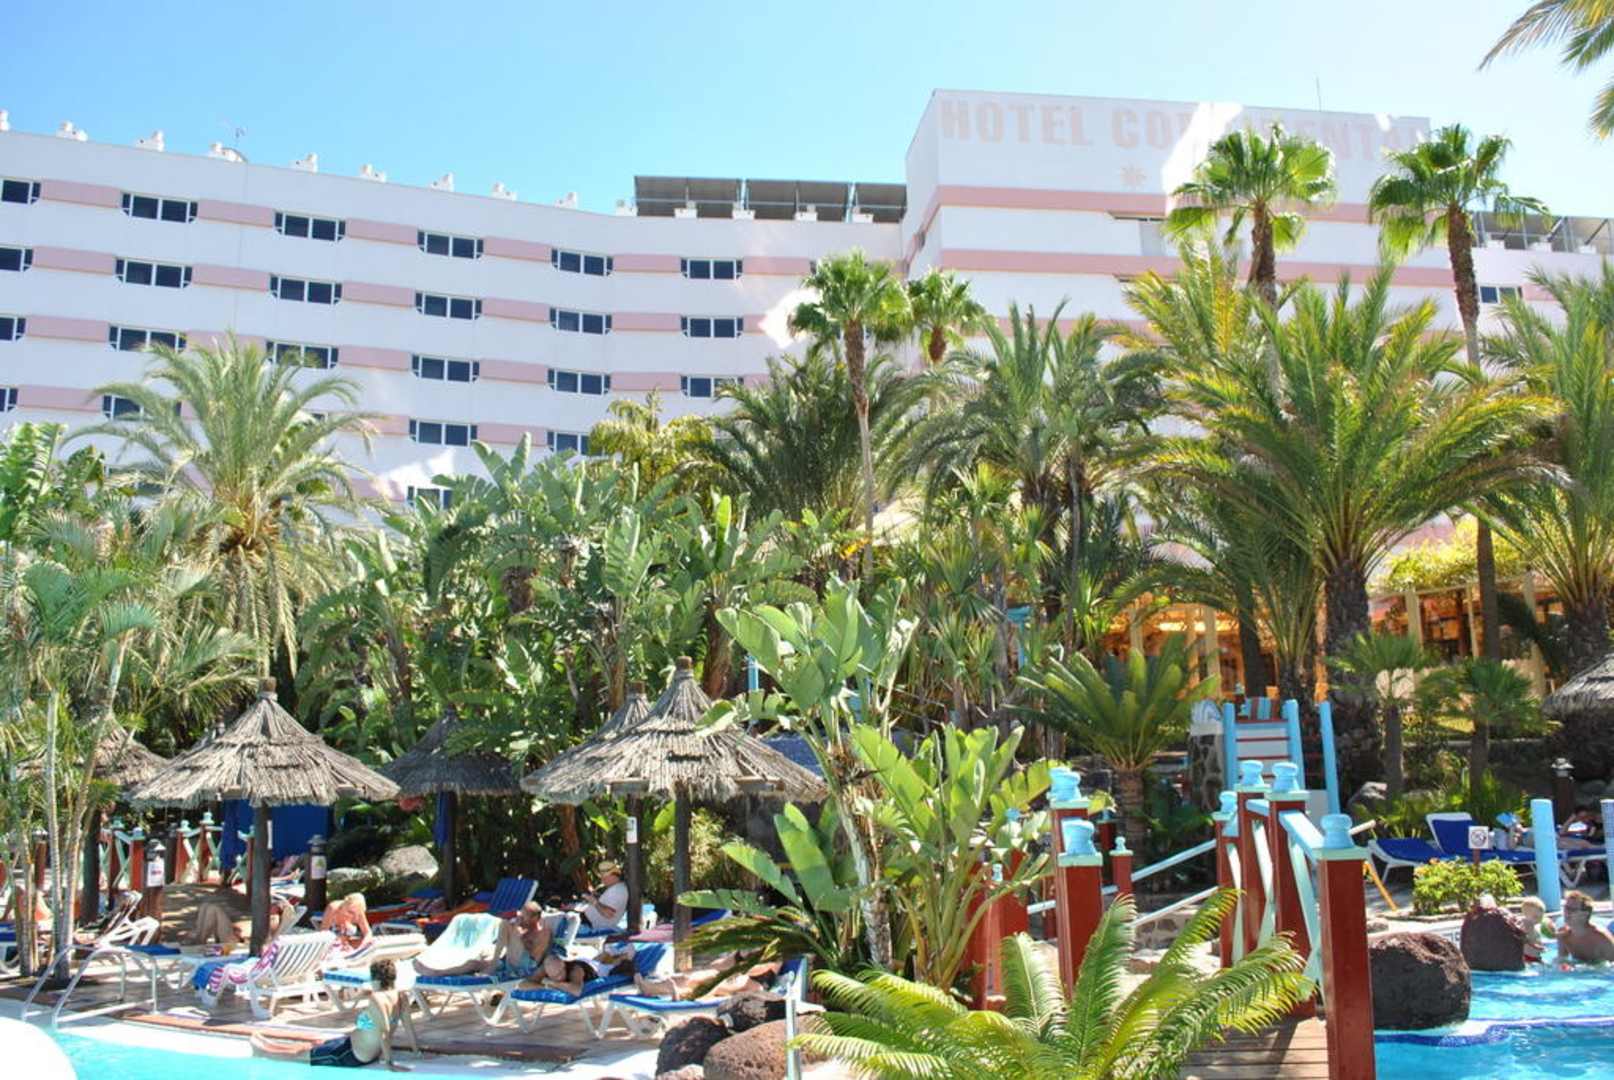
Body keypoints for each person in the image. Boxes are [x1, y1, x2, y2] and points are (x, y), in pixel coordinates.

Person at [251, 957, 416, 1070]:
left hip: (353, 1054)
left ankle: (264, 1052)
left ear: (376, 979)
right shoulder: (401, 996)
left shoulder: (377, 998)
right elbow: (408, 1026)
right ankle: (270, 1044)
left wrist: (389, 1063)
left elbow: (384, 1032)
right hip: (352, 1045)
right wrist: (416, 1051)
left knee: (300, 1056)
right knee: (313, 1045)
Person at [531, 938, 636, 997]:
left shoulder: (575, 971)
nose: (558, 978)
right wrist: (544, 986)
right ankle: (609, 952)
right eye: (554, 976)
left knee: (614, 964)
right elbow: (525, 984)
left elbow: (577, 991)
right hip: (587, 962)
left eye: (560, 973)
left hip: (597, 970)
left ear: (563, 965)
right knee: (596, 961)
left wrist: (552, 983)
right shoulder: (548, 967)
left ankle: (622, 954)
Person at [1556, 890, 1614, 964]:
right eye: (1566, 907)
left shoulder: (1601, 938)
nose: (1567, 912)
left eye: (1572, 909)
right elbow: (1561, 963)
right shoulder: (1563, 935)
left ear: (1584, 914)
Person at [1519, 896, 1553, 963]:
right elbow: (1526, 940)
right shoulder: (1525, 924)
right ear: (1525, 915)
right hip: (1527, 957)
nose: (1539, 919)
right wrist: (1538, 947)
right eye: (1536, 917)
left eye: (1541, 917)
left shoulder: (1535, 927)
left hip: (1536, 957)